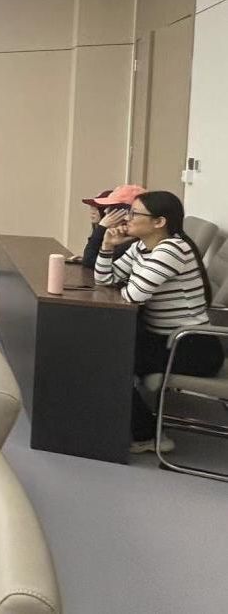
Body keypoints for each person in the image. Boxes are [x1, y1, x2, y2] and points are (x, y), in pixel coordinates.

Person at [93, 190, 223, 453]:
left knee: (109, 361)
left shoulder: (172, 249)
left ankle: (149, 435)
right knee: (100, 350)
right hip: (165, 340)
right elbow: (105, 279)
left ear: (159, 222)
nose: (127, 218)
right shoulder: (143, 246)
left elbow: (133, 295)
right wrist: (107, 246)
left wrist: (127, 284)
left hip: (193, 348)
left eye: (134, 214)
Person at [68, 185, 143, 268]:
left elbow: (90, 262)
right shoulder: (120, 234)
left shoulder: (132, 240)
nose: (105, 210)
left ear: (125, 212)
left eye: (110, 207)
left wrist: (101, 227)